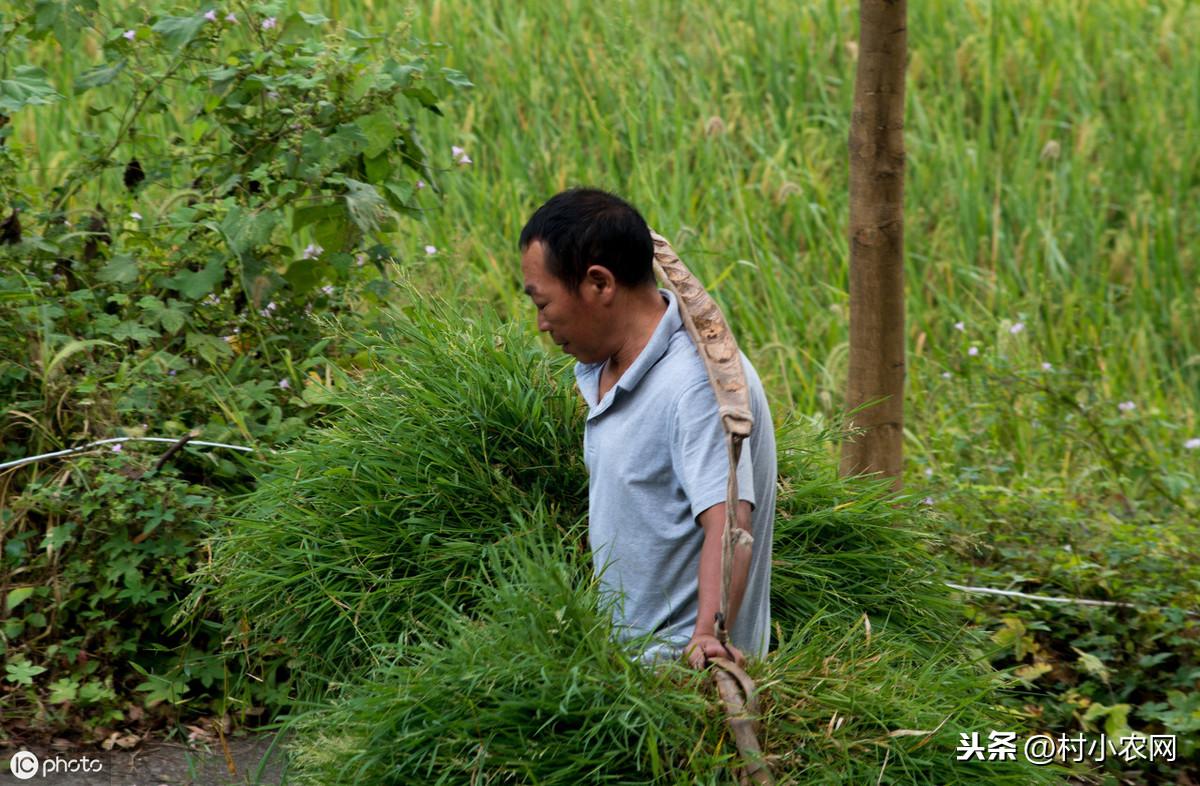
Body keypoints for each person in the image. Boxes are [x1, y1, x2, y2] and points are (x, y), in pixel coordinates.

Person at [518, 187, 776, 669]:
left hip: (678, 685)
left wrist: (706, 637)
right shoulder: (610, 366)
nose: (541, 324)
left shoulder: (695, 386)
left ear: (599, 283)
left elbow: (731, 523)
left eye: (542, 302)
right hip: (624, 674)